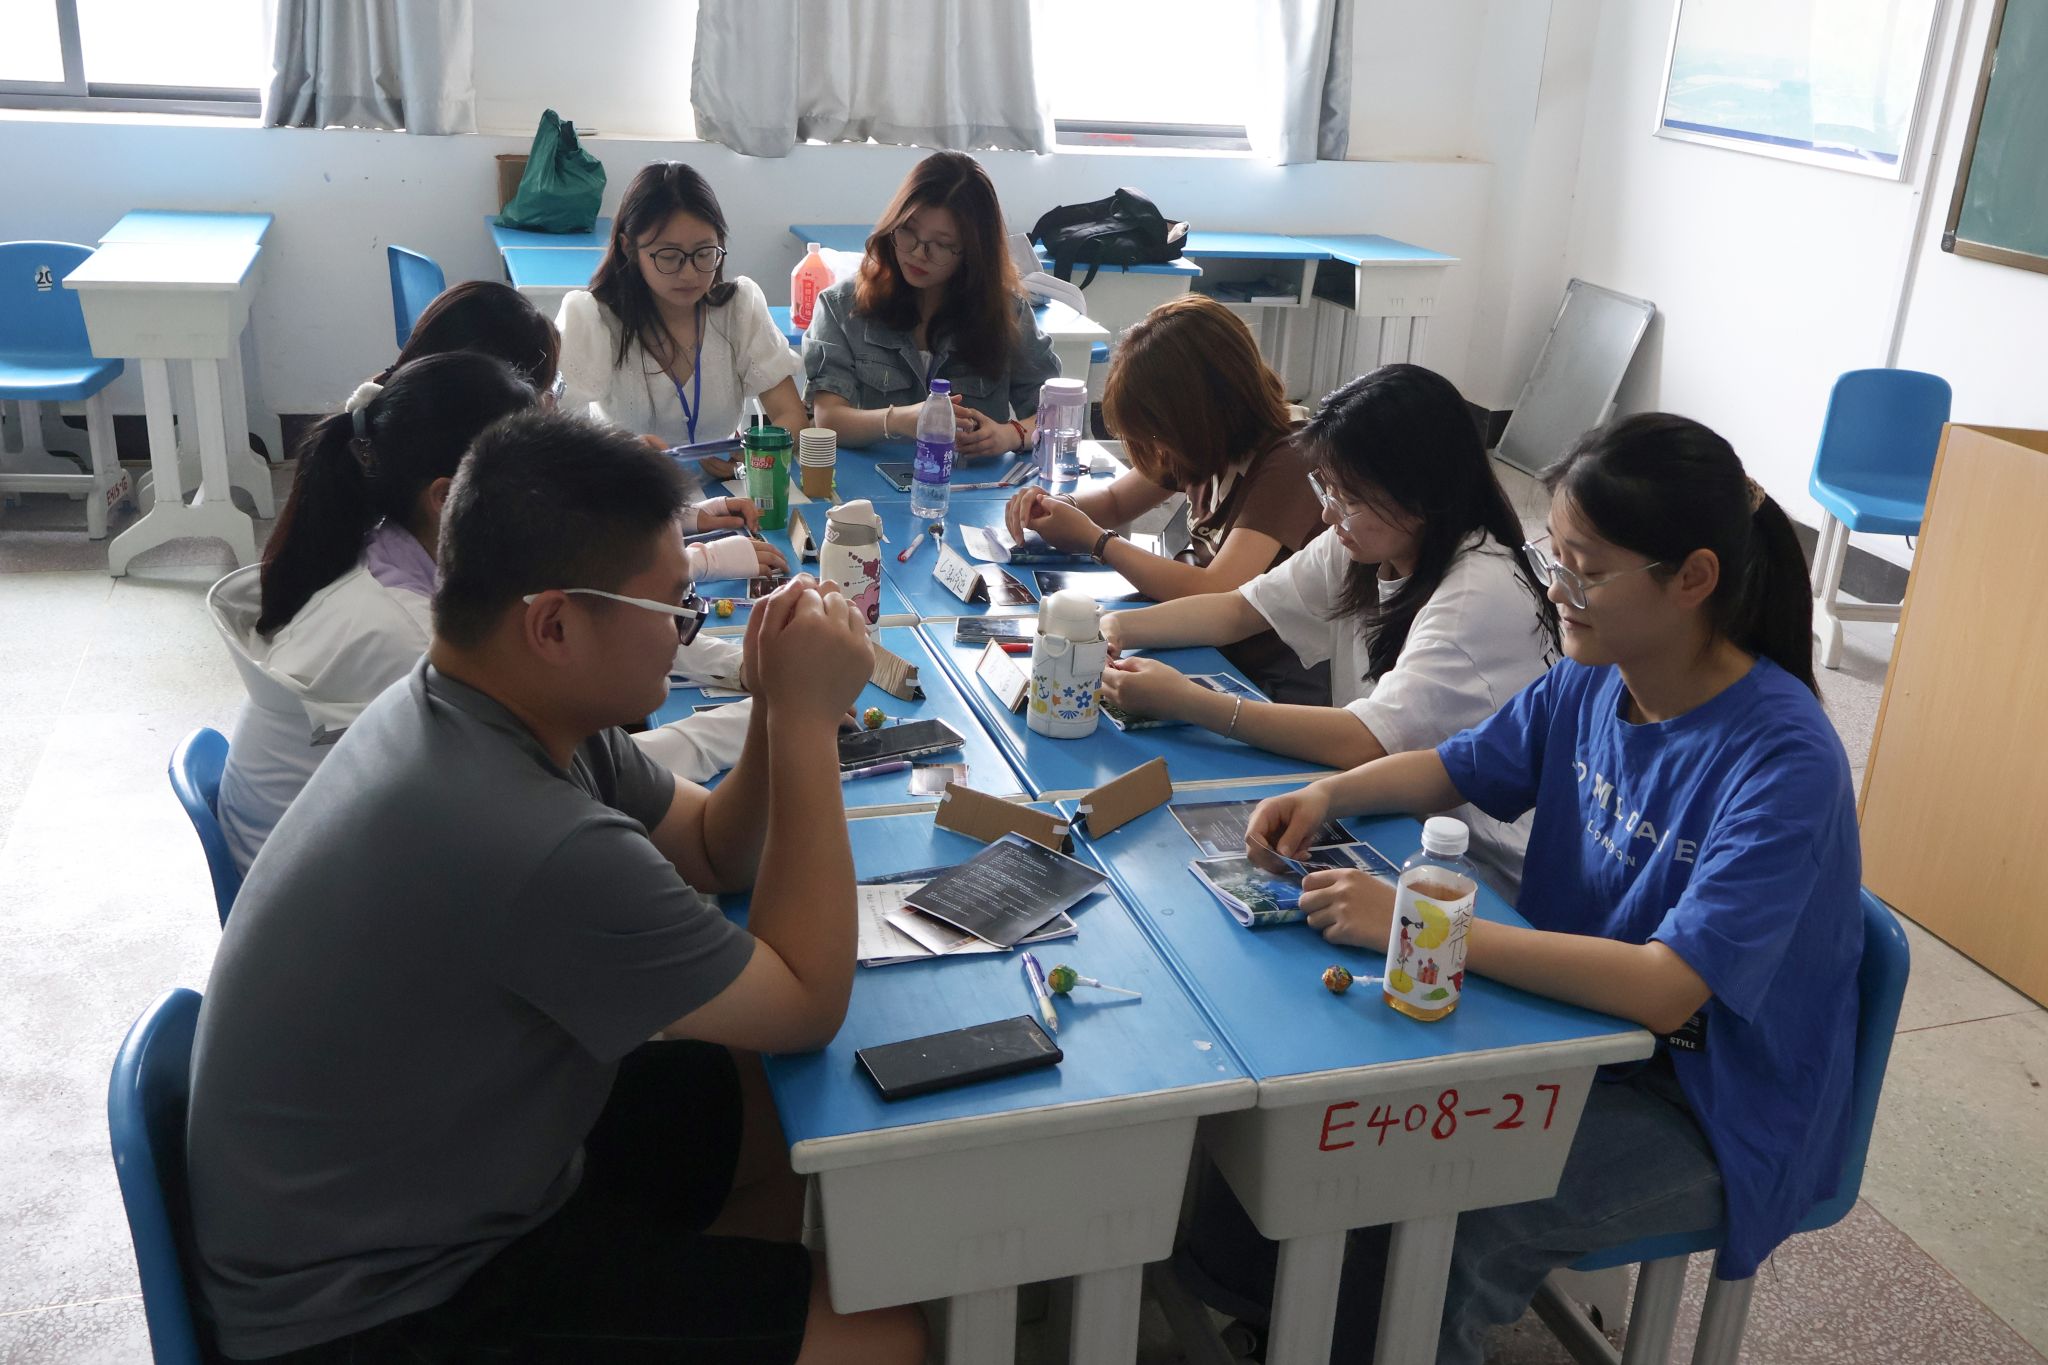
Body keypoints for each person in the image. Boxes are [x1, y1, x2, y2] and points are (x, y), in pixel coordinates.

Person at [186, 412, 926, 1365]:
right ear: (554, 624)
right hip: (374, 1308)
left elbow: (714, 849)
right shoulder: (527, 835)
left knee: (758, 1109)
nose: (688, 629)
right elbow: (807, 1000)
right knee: (883, 1335)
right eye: (673, 607)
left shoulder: (486, 705)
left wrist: (778, 706)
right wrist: (814, 726)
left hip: (425, 1185)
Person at [1185, 414, 1861, 1363]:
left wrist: (1421, 923)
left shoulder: (1784, 760)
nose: (1557, 590)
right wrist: (1328, 793)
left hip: (1707, 1103)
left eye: (1586, 570)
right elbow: (1451, 766)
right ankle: (1278, 1318)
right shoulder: (1597, 675)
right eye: (1556, 557)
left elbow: (1666, 989)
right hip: (1568, 1032)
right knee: (1313, 1101)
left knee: (1457, 1204)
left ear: (1693, 578)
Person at [1098, 365, 1557, 892]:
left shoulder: (1478, 593)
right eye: (1327, 488)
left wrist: (1191, 703)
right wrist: (1110, 627)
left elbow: (1368, 741)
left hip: (1474, 867)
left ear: (1422, 493)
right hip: (1388, 814)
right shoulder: (1369, 543)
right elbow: (1238, 610)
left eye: (1350, 498)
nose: (1329, 514)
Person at [207, 353, 538, 873]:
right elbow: (527, 792)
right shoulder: (412, 638)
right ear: (446, 497)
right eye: (534, 484)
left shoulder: (377, 548)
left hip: (321, 863)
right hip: (325, 900)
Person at [1002, 294, 1327, 700]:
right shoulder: (1207, 442)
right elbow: (1117, 502)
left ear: (1201, 414)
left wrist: (1098, 542)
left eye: (1158, 435)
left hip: (1266, 672)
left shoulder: (1289, 462)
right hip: (1205, 640)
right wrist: (1058, 507)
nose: (1157, 451)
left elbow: (1218, 589)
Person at [557, 161, 807, 495]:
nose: (689, 274)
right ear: (629, 248)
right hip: (629, 498)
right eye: (668, 256)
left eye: (704, 253)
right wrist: (614, 452)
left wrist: (753, 459)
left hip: (726, 497)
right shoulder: (595, 319)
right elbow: (549, 434)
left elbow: (791, 415)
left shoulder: (737, 309)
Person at [804, 150, 1059, 459]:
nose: (918, 253)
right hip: (871, 484)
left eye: (941, 244)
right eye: (908, 231)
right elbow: (827, 419)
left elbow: (1056, 412)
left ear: (974, 252)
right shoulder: (841, 307)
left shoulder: (1007, 312)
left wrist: (1011, 434)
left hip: (973, 484)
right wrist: (898, 420)